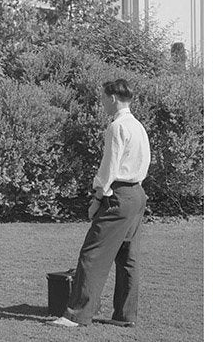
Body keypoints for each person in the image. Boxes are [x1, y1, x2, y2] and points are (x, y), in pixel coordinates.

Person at [51, 78, 151, 328]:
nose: (102, 102)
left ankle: (76, 315)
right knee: (128, 258)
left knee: (92, 254)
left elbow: (109, 167)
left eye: (103, 98)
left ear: (113, 98)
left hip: (119, 196)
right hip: (137, 194)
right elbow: (145, 161)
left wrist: (97, 198)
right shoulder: (138, 126)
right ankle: (125, 316)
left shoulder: (116, 127)